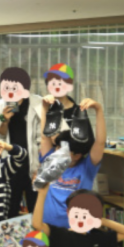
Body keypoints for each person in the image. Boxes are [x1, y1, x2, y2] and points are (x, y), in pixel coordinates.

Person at [38, 95, 106, 229]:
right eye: (57, 147)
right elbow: (45, 137)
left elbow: (100, 142)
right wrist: (45, 107)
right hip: (48, 227)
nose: (58, 152)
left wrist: (98, 109)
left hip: (75, 229)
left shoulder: (87, 167)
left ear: (77, 156)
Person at [0, 67, 43, 217]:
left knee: (36, 210)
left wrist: (41, 166)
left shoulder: (37, 103)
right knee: (9, 210)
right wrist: (4, 120)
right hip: (10, 165)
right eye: (6, 86)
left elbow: (42, 138)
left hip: (33, 165)